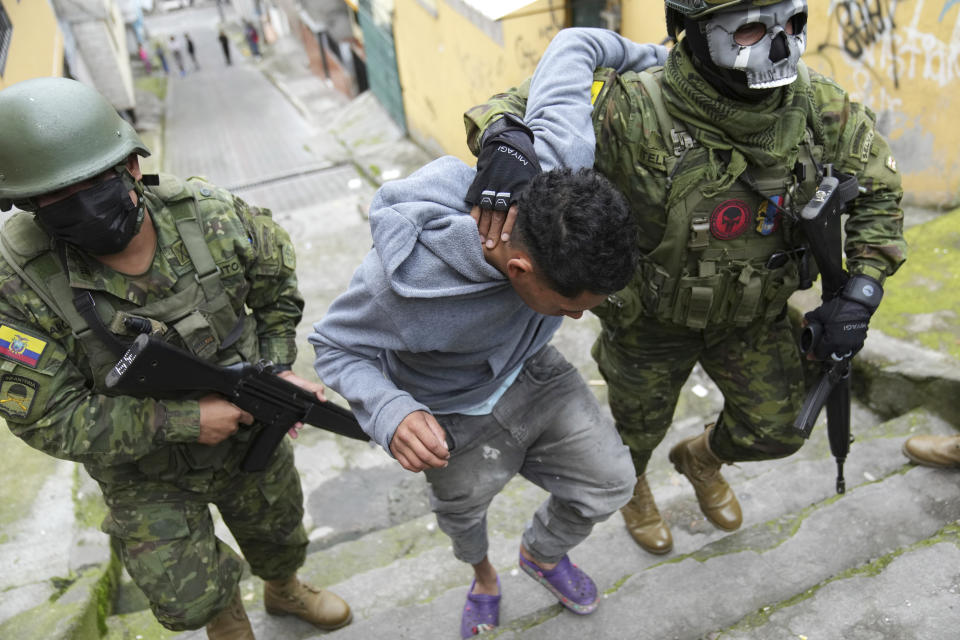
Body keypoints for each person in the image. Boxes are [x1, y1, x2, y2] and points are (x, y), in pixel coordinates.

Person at [463, 3, 906, 557]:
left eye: (792, 24)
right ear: (692, 33)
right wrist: (505, 140)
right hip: (649, 322)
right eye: (749, 29)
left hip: (752, 317)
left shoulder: (817, 105)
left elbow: (879, 192)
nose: (779, 45)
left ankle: (702, 460)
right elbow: (509, 108)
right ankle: (636, 489)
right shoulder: (628, 104)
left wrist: (862, 291)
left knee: (780, 428)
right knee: (634, 434)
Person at [0, 77, 352, 639]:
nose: (84, 206)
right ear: (29, 205)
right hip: (141, 465)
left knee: (281, 530)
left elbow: (276, 288)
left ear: (131, 169)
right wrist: (184, 420)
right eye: (58, 199)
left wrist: (277, 365)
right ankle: (228, 619)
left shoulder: (207, 216)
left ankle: (283, 591)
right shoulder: (18, 283)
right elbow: (46, 416)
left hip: (246, 425)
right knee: (185, 601)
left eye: (94, 182)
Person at [309, 155, 642, 636]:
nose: (576, 319)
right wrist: (390, 409)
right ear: (521, 269)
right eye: (570, 307)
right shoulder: (398, 288)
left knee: (612, 482)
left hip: (535, 374)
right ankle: (484, 580)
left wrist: (505, 129)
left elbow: (564, 81)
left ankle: (541, 556)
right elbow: (333, 345)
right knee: (463, 520)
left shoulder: (550, 173)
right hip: (451, 418)